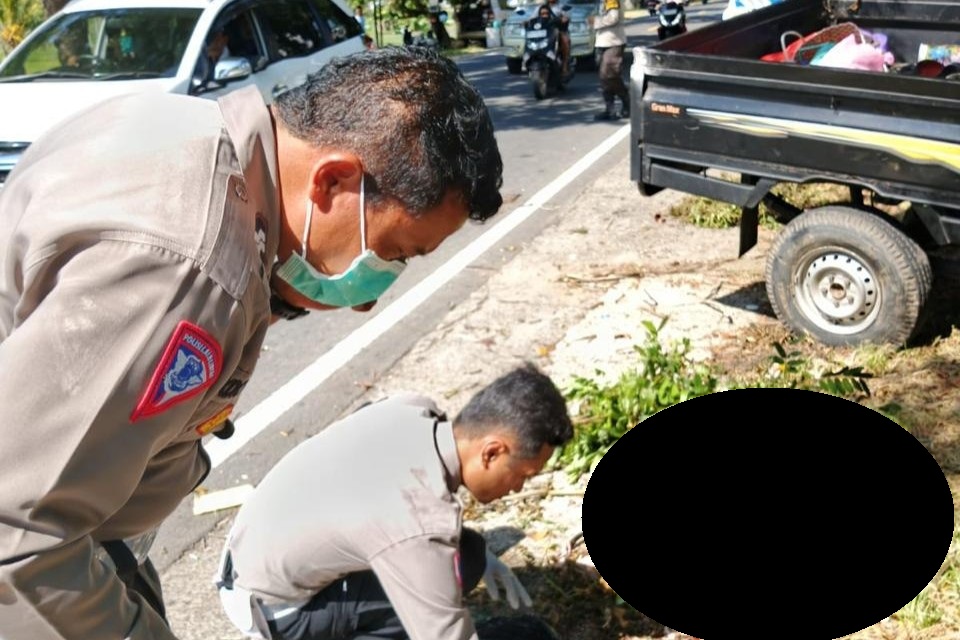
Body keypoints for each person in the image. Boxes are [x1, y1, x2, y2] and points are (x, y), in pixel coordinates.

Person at [0, 45, 503, 640]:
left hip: (94, 534)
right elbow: (20, 534)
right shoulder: (190, 275)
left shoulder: (173, 124)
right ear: (332, 181)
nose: (368, 299)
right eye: (390, 254)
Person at [216, 363, 574, 640]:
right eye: (523, 475)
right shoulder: (419, 526)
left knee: (469, 555)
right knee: (435, 583)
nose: (516, 489)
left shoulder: (412, 409)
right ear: (492, 452)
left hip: (248, 552)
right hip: (272, 608)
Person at [589, 0, 630, 120]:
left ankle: (627, 100)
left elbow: (613, 17)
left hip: (614, 42)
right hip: (602, 42)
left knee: (609, 75)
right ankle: (609, 109)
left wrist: (595, 22)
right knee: (604, 78)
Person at [546, 0, 572, 77]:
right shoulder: (541, 7)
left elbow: (567, 16)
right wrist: (527, 21)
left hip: (560, 31)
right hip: (546, 33)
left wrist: (565, 18)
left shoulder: (561, 6)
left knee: (566, 42)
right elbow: (533, 17)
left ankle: (564, 66)